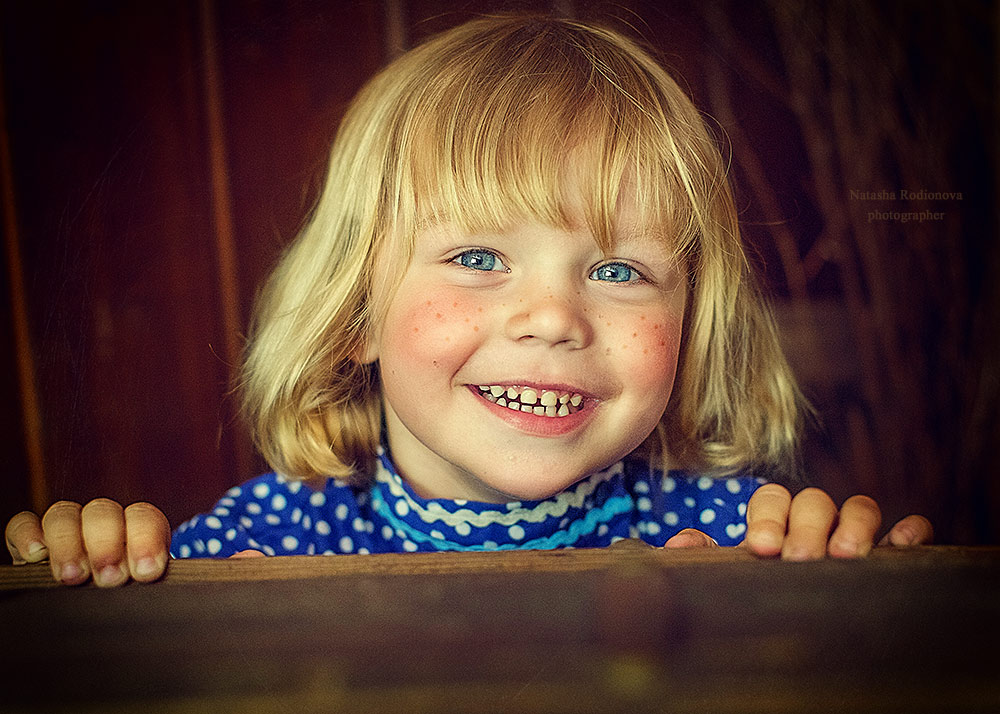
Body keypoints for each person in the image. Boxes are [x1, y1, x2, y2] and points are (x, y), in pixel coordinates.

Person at [4, 15, 931, 587]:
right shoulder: (271, 540)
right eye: (479, 255)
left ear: (691, 333)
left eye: (618, 272)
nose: (554, 317)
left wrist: (837, 574)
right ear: (354, 316)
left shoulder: (737, 535)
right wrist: (101, 563)